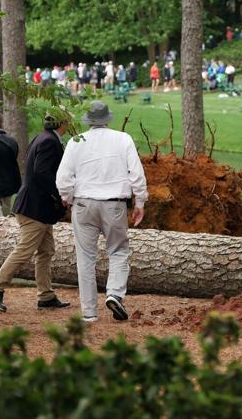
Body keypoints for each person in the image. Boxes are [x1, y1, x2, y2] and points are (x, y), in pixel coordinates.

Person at [56, 101, 147, 323]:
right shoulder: (122, 139)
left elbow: (63, 177)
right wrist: (140, 201)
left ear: (89, 120)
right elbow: (136, 172)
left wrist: (67, 198)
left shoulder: (76, 142)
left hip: (84, 204)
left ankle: (89, 312)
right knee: (118, 250)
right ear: (107, 119)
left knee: (85, 258)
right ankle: (115, 293)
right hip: (114, 204)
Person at [0, 113, 71, 313]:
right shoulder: (49, 142)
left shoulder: (42, 137)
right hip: (35, 207)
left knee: (46, 251)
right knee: (24, 250)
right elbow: (42, 173)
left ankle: (46, 296)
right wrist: (60, 196)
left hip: (40, 208)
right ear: (63, 124)